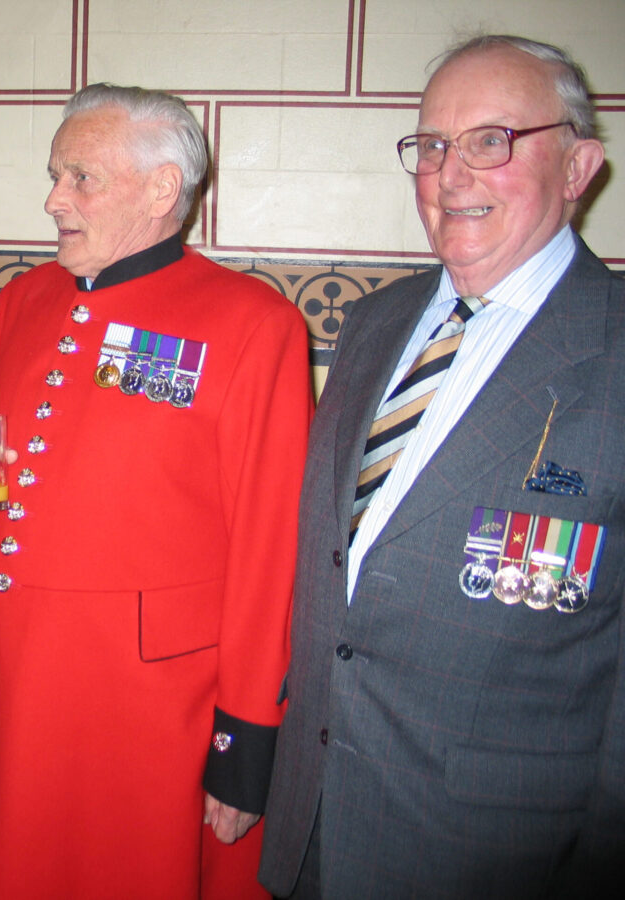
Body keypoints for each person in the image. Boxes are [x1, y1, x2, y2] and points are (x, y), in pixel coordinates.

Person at [259, 34, 623, 899]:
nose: (450, 175)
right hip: (312, 824)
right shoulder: (376, 324)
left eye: (491, 141)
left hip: (491, 854)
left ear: (579, 168)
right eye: (430, 146)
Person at [0, 84, 313, 899]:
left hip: (147, 708)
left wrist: (247, 736)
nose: (52, 199)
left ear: (161, 189)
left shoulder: (252, 322)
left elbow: (271, 548)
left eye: (80, 177)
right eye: (54, 175)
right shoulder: (25, 300)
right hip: (14, 674)